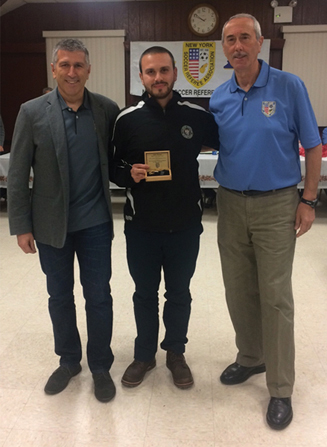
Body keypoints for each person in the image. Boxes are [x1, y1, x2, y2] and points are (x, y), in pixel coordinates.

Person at [209, 13, 322, 430]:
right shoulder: (219, 96)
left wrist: (308, 200)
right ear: (225, 49)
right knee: (238, 291)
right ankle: (251, 358)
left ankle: (280, 388)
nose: (237, 46)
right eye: (230, 40)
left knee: (275, 297)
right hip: (230, 204)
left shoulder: (289, 86)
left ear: (260, 42)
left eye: (244, 38)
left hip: (278, 205)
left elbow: (312, 147)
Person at [8, 39, 119, 402]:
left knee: (99, 296)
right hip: (50, 224)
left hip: (96, 224)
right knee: (59, 296)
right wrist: (21, 225)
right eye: (65, 65)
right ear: (54, 69)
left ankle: (100, 365)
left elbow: (118, 160)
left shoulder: (106, 109)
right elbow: (18, 171)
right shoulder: (31, 111)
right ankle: (69, 360)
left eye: (79, 65)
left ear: (89, 70)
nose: (72, 72)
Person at [111, 46, 219, 389]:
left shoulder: (197, 116)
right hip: (141, 226)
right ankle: (144, 355)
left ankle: (175, 353)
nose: (158, 78)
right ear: (141, 77)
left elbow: (230, 144)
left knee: (179, 293)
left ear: (175, 73)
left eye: (163, 70)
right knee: (144, 293)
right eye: (150, 72)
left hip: (186, 226)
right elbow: (112, 167)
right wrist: (131, 174)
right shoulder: (126, 119)